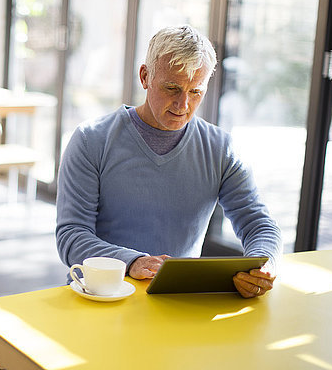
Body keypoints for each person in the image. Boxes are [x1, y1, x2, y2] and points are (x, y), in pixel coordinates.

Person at [56, 25, 282, 299]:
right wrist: (132, 262)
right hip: (101, 298)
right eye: (172, 88)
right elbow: (71, 235)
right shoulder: (91, 140)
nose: (182, 104)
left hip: (177, 300)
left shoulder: (221, 149)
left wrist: (263, 263)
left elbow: (258, 223)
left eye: (195, 92)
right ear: (145, 76)